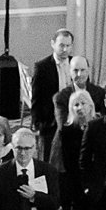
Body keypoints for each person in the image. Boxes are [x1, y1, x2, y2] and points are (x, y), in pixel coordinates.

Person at [29, 27, 75, 155]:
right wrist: (37, 124)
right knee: (48, 157)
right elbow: (36, 97)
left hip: (73, 118)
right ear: (53, 44)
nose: (65, 49)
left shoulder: (76, 64)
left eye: (68, 45)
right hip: (50, 121)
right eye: (61, 45)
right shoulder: (42, 67)